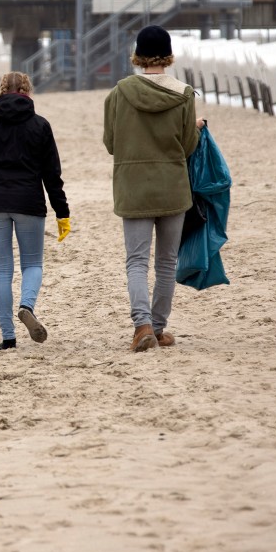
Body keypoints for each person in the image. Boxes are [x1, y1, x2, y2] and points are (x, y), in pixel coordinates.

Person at [103, 25, 205, 353]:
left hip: (133, 187)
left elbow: (110, 143)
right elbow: (188, 146)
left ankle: (142, 326)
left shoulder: (119, 94)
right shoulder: (184, 94)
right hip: (173, 187)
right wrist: (198, 129)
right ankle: (158, 328)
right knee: (165, 262)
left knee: (136, 262)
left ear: (138, 55)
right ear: (168, 55)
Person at [0, 72, 70, 350]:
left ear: (0, 91)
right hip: (29, 203)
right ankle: (27, 305)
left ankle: (8, 337)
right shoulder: (40, 126)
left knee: (2, 269)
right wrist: (62, 211)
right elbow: (52, 175)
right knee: (32, 264)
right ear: (27, 91)